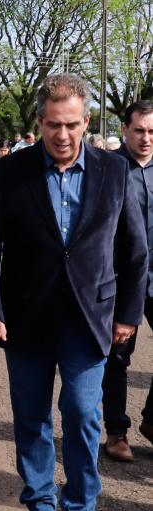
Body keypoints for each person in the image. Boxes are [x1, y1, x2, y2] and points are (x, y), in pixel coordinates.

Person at [0, 73, 147, 511]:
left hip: (92, 321)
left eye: (71, 124)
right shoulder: (11, 171)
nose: (62, 135)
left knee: (85, 416)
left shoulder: (115, 171)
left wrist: (129, 313)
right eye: (52, 125)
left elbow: (134, 250)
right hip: (26, 318)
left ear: (87, 121)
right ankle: (40, 508)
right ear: (39, 122)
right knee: (30, 418)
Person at [100, 100, 153, 462]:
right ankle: (117, 432)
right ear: (124, 128)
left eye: (152, 132)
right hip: (121, 279)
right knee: (118, 357)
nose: (147, 138)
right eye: (140, 130)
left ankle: (152, 420)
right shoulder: (109, 169)